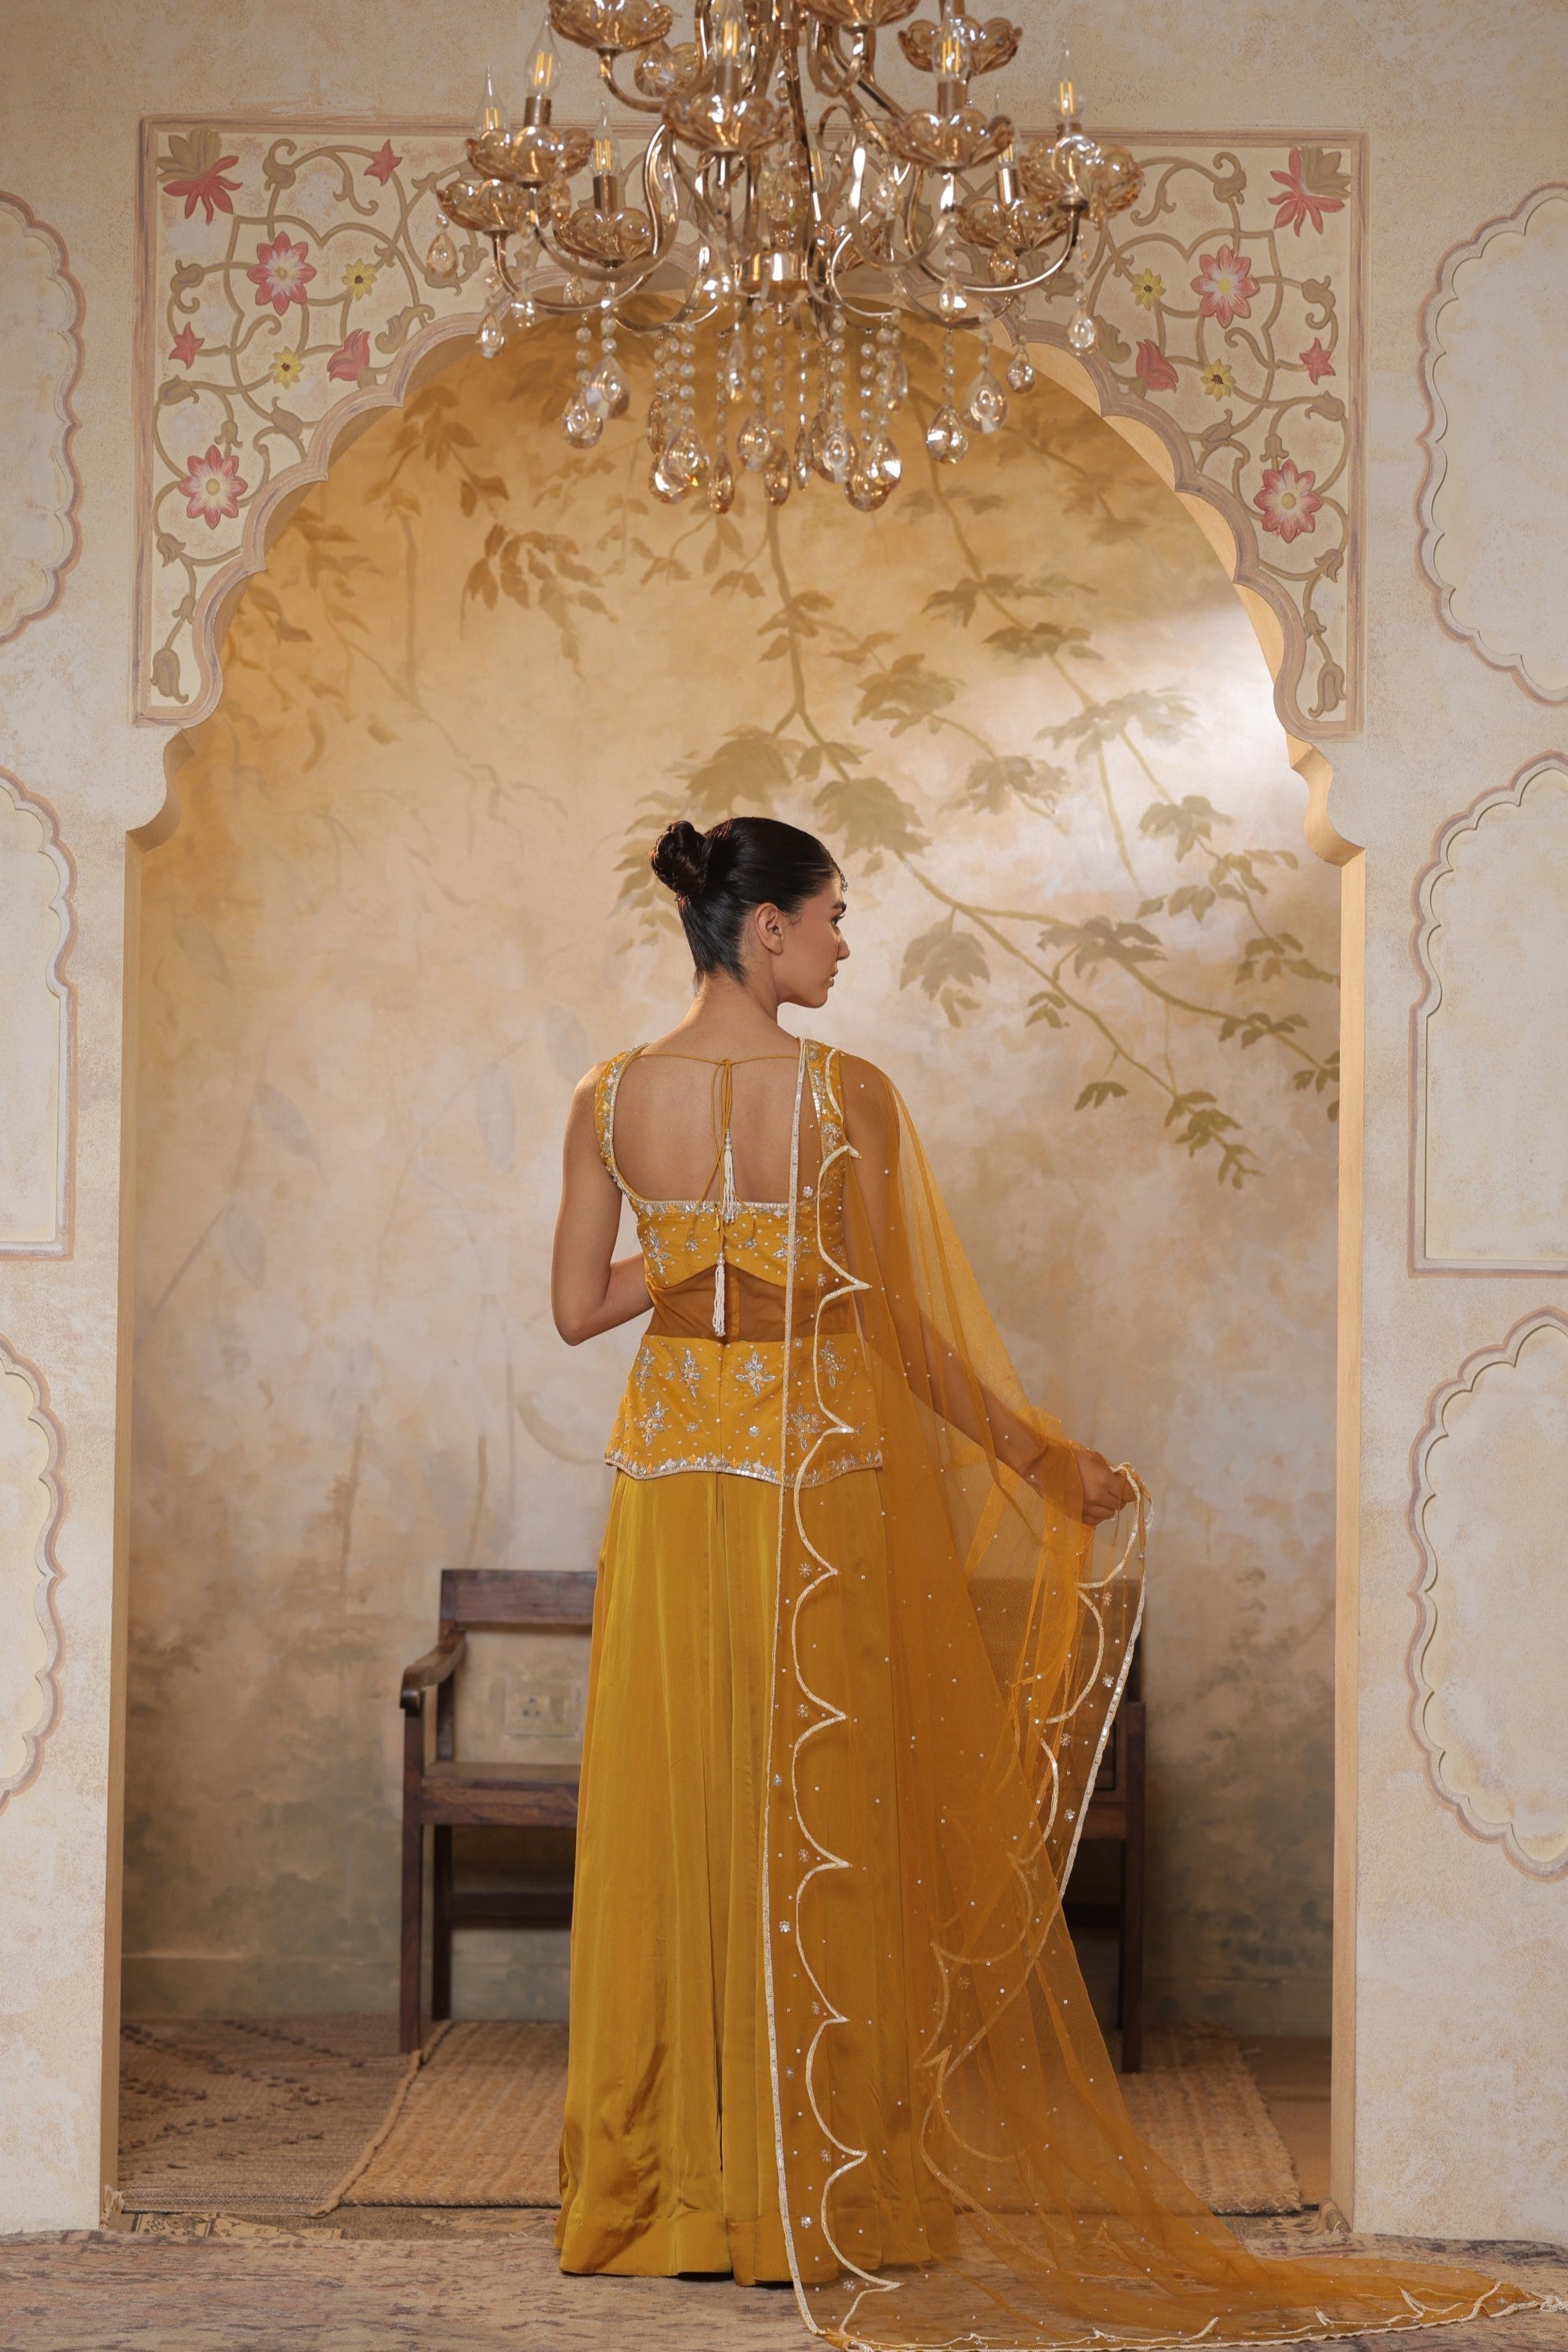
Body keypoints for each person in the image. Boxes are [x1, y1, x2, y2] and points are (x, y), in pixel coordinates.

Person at [549, 814, 1534, 2348]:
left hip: (672, 1485)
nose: (843, 943)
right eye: (830, 917)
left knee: (678, 1806)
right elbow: (893, 1330)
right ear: (763, 934)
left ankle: (658, 2193)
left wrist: (696, 1270)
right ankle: (821, 2195)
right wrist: (1032, 1457)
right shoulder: (842, 1098)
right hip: (814, 1486)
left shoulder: (608, 1099)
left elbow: (574, 1308)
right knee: (828, 1816)